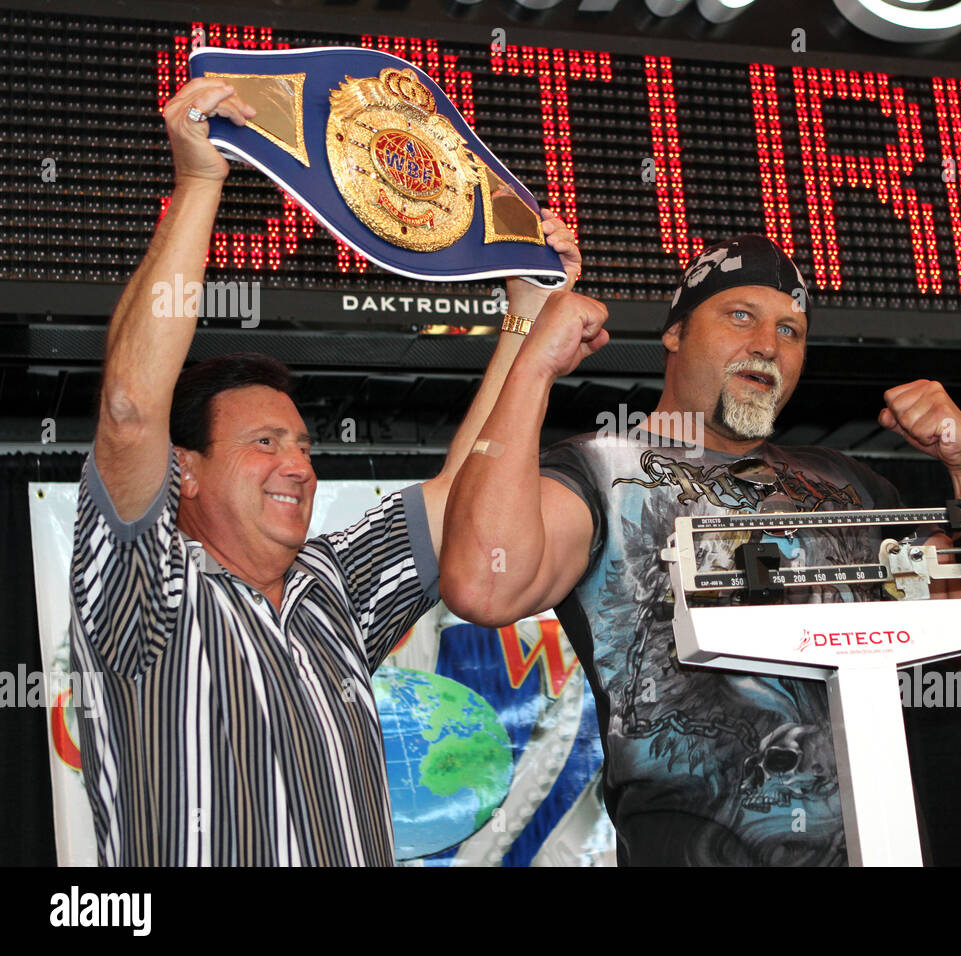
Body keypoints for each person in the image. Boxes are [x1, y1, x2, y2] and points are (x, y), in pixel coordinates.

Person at [69, 77, 580, 865]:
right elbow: (132, 408)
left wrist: (524, 313)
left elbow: (460, 497)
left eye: (304, 446)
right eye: (264, 443)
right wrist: (200, 183)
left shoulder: (329, 587)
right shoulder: (146, 590)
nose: (297, 466)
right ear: (185, 472)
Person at [440, 235, 961, 865]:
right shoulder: (597, 469)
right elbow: (483, 585)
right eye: (740, 316)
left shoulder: (846, 483)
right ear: (675, 332)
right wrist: (533, 366)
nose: (768, 345)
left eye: (790, 331)